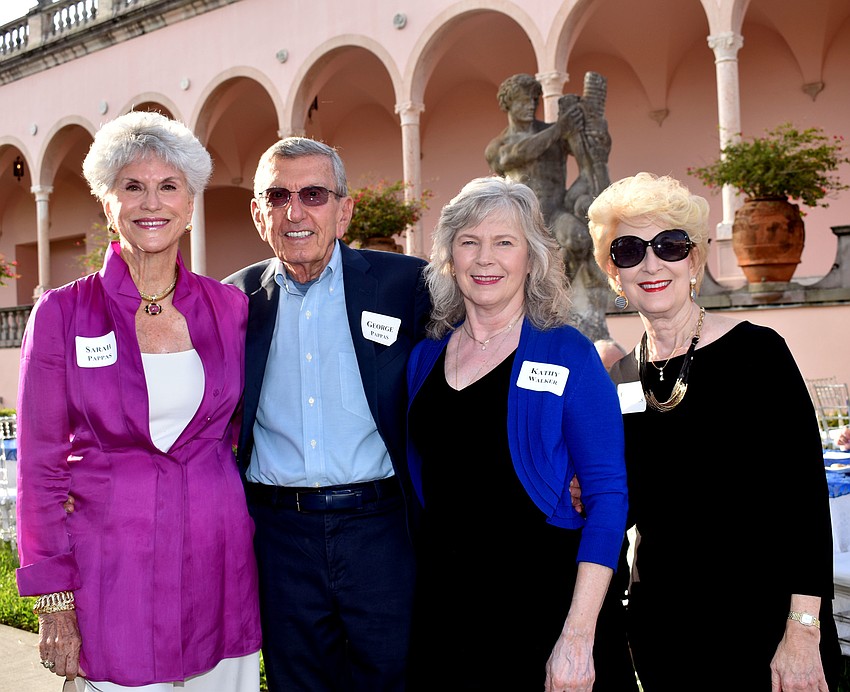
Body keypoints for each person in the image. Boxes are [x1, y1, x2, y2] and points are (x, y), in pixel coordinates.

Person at [15, 111, 262, 690]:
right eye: (133, 186)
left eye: (169, 186)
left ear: (190, 204)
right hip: (112, 576)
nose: (152, 202)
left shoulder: (230, 309)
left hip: (218, 567)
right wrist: (53, 596)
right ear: (108, 204)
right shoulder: (63, 314)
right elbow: (39, 465)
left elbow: (244, 433)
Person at [585, 171, 842, 690]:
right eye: (629, 249)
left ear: (695, 260)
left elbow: (806, 500)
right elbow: (627, 499)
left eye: (670, 246)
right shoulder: (619, 379)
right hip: (668, 633)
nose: (652, 263)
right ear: (614, 273)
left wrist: (803, 630)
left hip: (766, 629)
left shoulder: (757, 354)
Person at [404, 175, 636, 691]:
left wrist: (578, 635)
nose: (485, 259)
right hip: (446, 616)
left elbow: (608, 498)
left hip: (544, 613)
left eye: (504, 242)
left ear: (531, 259)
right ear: (449, 259)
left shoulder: (568, 352)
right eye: (469, 242)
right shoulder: (424, 359)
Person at [223, 137, 430, 692]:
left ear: (345, 210)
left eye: (314, 194)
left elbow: (480, 364)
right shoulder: (233, 303)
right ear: (258, 212)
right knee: (297, 684)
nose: (296, 211)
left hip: (380, 530)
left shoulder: (407, 286)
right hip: (279, 537)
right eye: (278, 195)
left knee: (392, 679)